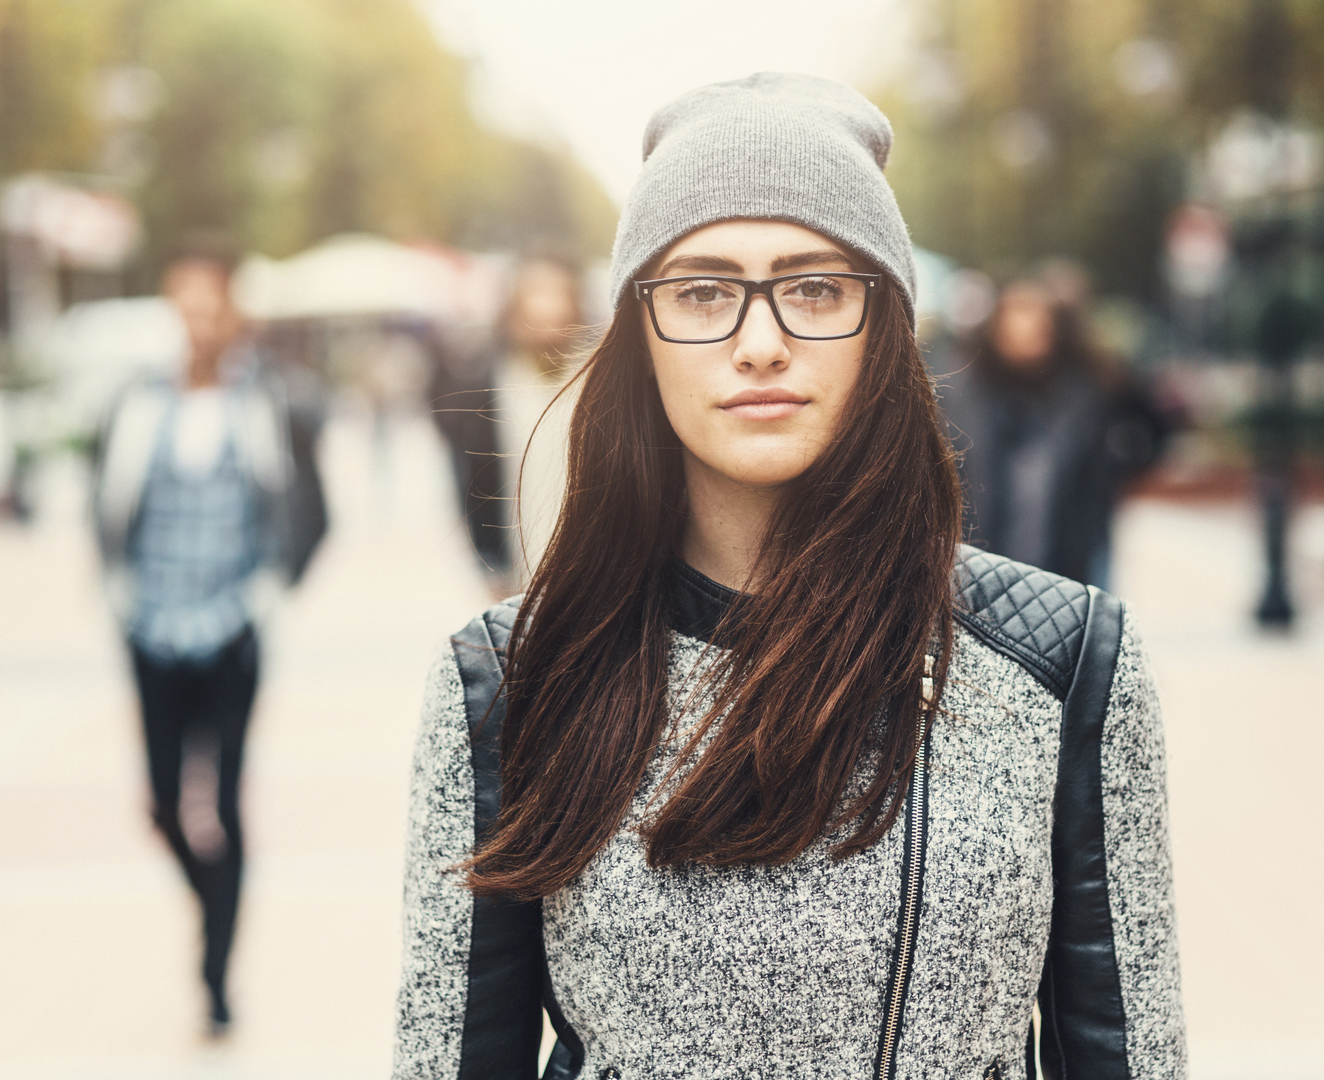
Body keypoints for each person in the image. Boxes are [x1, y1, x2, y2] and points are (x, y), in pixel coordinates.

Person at [393, 73, 1183, 1079]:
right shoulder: (514, 678)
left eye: (815, 288)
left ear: (885, 325)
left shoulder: (1062, 663)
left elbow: (1125, 1052)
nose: (759, 344)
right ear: (640, 335)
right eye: (703, 292)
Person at [93, 249, 325, 1035]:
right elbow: (109, 503)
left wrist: (268, 593)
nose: (195, 320)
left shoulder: (267, 401)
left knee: (222, 805)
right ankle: (212, 902)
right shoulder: (135, 402)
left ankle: (217, 978)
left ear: (231, 313)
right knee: (162, 804)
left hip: (231, 632)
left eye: (209, 305)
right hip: (151, 630)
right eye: (181, 304)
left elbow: (307, 505)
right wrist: (118, 595)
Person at [937, 273, 1167, 588]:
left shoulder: (1089, 387)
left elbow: (1151, 426)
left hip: (1069, 559)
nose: (1027, 332)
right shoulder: (960, 388)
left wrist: (1111, 472)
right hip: (979, 560)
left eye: (1038, 323)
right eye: (1016, 318)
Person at [429, 257, 584, 594]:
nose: (546, 308)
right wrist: (489, 563)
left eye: (557, 294)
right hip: (517, 569)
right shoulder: (485, 387)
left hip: (588, 572)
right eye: (536, 295)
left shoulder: (596, 380)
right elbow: (471, 480)